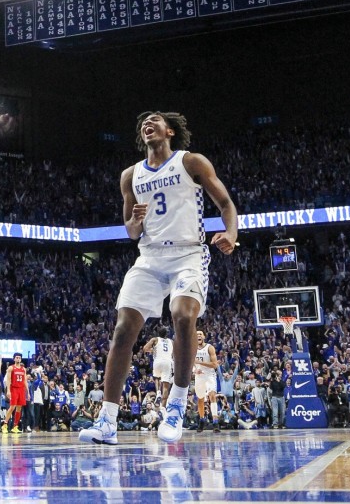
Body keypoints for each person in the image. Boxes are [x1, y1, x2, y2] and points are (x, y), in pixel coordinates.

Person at [80, 111, 238, 446]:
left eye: (154, 120)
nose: (146, 124)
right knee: (123, 329)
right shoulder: (130, 176)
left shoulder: (191, 162)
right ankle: (107, 421)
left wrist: (231, 233)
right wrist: (136, 220)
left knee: (182, 315)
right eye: (142, 123)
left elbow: (225, 202)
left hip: (188, 253)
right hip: (150, 256)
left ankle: (177, 406)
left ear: (169, 131)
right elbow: (132, 232)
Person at [192, 329, 220, 432]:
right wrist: (194, 369)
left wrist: (200, 362)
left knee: (212, 395)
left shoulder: (209, 347)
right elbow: (191, 363)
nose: (198, 335)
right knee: (200, 399)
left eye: (200, 334)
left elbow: (214, 364)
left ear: (203, 337)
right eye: (197, 334)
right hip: (199, 376)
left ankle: (215, 422)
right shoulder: (192, 348)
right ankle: (202, 420)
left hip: (209, 375)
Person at [141, 326, 173, 403]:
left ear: (158, 333)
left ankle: (158, 392)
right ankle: (163, 405)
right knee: (165, 385)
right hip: (168, 362)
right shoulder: (171, 341)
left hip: (158, 361)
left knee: (157, 377)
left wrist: (152, 350)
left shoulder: (155, 339)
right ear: (166, 334)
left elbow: (145, 349)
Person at [3, 353, 28, 433]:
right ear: (14, 359)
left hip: (21, 389)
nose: (18, 359)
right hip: (14, 389)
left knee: (19, 408)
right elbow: (8, 380)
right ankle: (5, 425)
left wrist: (28, 392)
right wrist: (8, 391)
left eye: (19, 358)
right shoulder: (11, 368)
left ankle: (15, 426)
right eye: (16, 357)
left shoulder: (23, 369)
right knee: (12, 407)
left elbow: (25, 381)